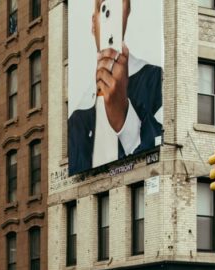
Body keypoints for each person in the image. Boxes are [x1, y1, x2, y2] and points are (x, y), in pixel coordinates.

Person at [68, 0, 164, 173]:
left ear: (127, 14)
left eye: (118, 6)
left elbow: (165, 153)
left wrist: (123, 117)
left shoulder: (157, 80)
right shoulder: (76, 120)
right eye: (105, 8)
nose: (111, 18)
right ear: (93, 24)